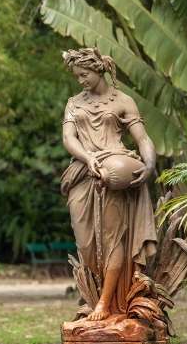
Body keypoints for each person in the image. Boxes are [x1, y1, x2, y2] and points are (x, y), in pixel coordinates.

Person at [60, 47, 157, 321]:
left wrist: (149, 165)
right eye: (78, 76)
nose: (81, 81)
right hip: (82, 171)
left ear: (98, 69)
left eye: (84, 75)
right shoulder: (74, 102)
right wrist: (88, 157)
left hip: (113, 172)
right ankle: (99, 297)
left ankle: (105, 304)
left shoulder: (123, 101)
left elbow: (143, 139)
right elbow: (69, 138)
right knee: (86, 243)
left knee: (112, 239)